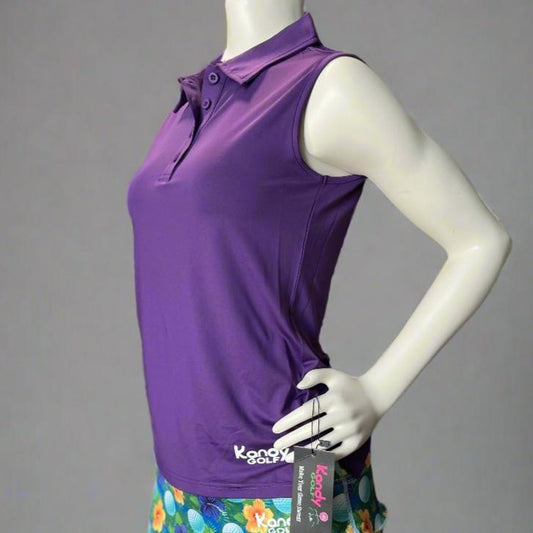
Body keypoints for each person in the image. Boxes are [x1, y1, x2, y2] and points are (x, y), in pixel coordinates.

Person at [127, 2, 512, 532]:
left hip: (281, 482)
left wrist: (377, 390)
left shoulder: (330, 87)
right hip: (179, 487)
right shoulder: (194, 102)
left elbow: (480, 240)